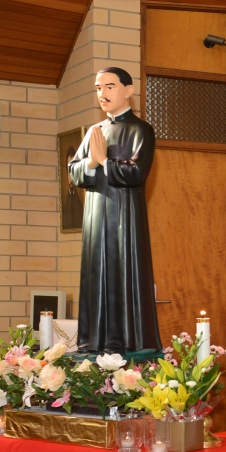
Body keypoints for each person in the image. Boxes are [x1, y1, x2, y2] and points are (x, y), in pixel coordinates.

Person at [68, 66, 160, 354]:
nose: (102, 93)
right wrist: (92, 162)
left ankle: (124, 340)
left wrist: (104, 161)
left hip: (124, 217)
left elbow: (137, 173)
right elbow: (74, 172)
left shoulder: (141, 130)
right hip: (96, 216)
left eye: (110, 86)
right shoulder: (95, 131)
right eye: (98, 88)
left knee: (122, 273)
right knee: (96, 272)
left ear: (128, 90)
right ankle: (94, 339)